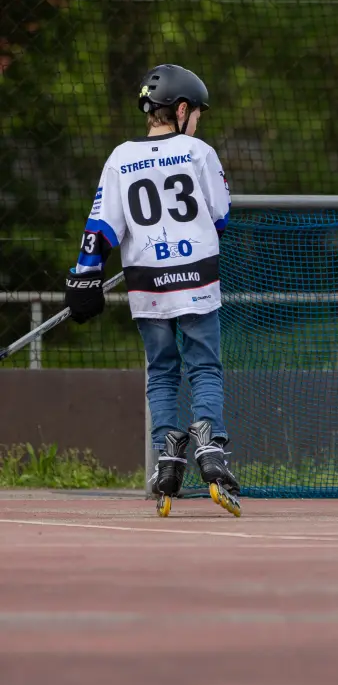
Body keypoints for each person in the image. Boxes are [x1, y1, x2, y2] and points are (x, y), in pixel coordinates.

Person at [64, 64, 238, 517]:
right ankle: (210, 443)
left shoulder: (120, 157)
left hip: (147, 285)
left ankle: (168, 452)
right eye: (196, 113)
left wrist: (85, 275)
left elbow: (101, 225)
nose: (197, 121)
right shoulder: (199, 152)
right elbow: (220, 215)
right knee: (205, 367)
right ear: (180, 110)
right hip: (197, 278)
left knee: (161, 370)